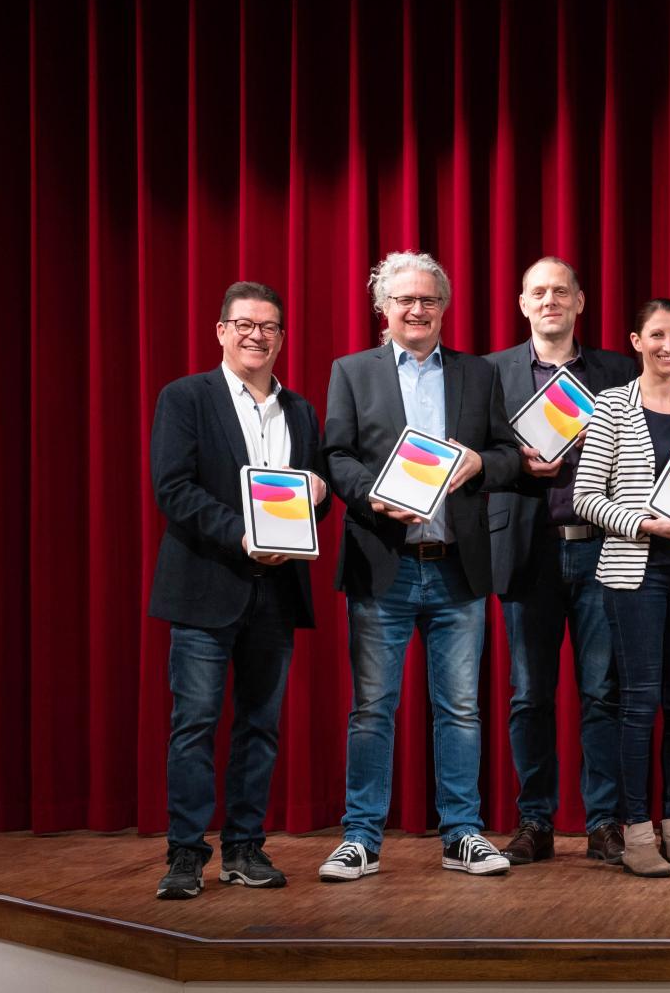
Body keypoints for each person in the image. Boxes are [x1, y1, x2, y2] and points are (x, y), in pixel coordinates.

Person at [318, 251, 522, 881]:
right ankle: (361, 837)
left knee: (460, 707)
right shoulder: (352, 371)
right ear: (383, 308)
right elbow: (335, 455)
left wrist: (481, 465)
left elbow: (510, 454)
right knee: (372, 706)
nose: (417, 309)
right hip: (384, 563)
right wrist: (372, 493)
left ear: (444, 308)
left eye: (428, 300)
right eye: (404, 299)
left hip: (456, 566)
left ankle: (462, 833)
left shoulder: (477, 373)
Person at [149, 282, 331, 900]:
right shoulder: (185, 398)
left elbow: (314, 495)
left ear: (282, 337)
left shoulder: (301, 411)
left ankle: (245, 848)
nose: (257, 335)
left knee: (260, 726)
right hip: (206, 587)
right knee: (194, 723)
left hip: (276, 592)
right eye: (245, 324)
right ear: (221, 331)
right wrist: (244, 535)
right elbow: (173, 489)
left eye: (270, 326)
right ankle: (184, 854)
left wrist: (320, 494)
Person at [487, 257, 639, 866]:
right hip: (528, 551)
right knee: (530, 696)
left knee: (604, 693)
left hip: (603, 549)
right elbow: (474, 458)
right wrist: (516, 464)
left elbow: (638, 456)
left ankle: (604, 823)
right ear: (523, 303)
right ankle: (535, 821)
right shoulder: (491, 372)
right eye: (538, 292)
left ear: (580, 301)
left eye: (561, 291)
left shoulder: (617, 372)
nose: (549, 301)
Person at [573, 299, 670, 877]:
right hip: (633, 574)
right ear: (636, 340)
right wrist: (643, 523)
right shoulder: (610, 407)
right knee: (638, 703)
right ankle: (637, 833)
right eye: (657, 335)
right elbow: (586, 496)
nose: (668, 346)